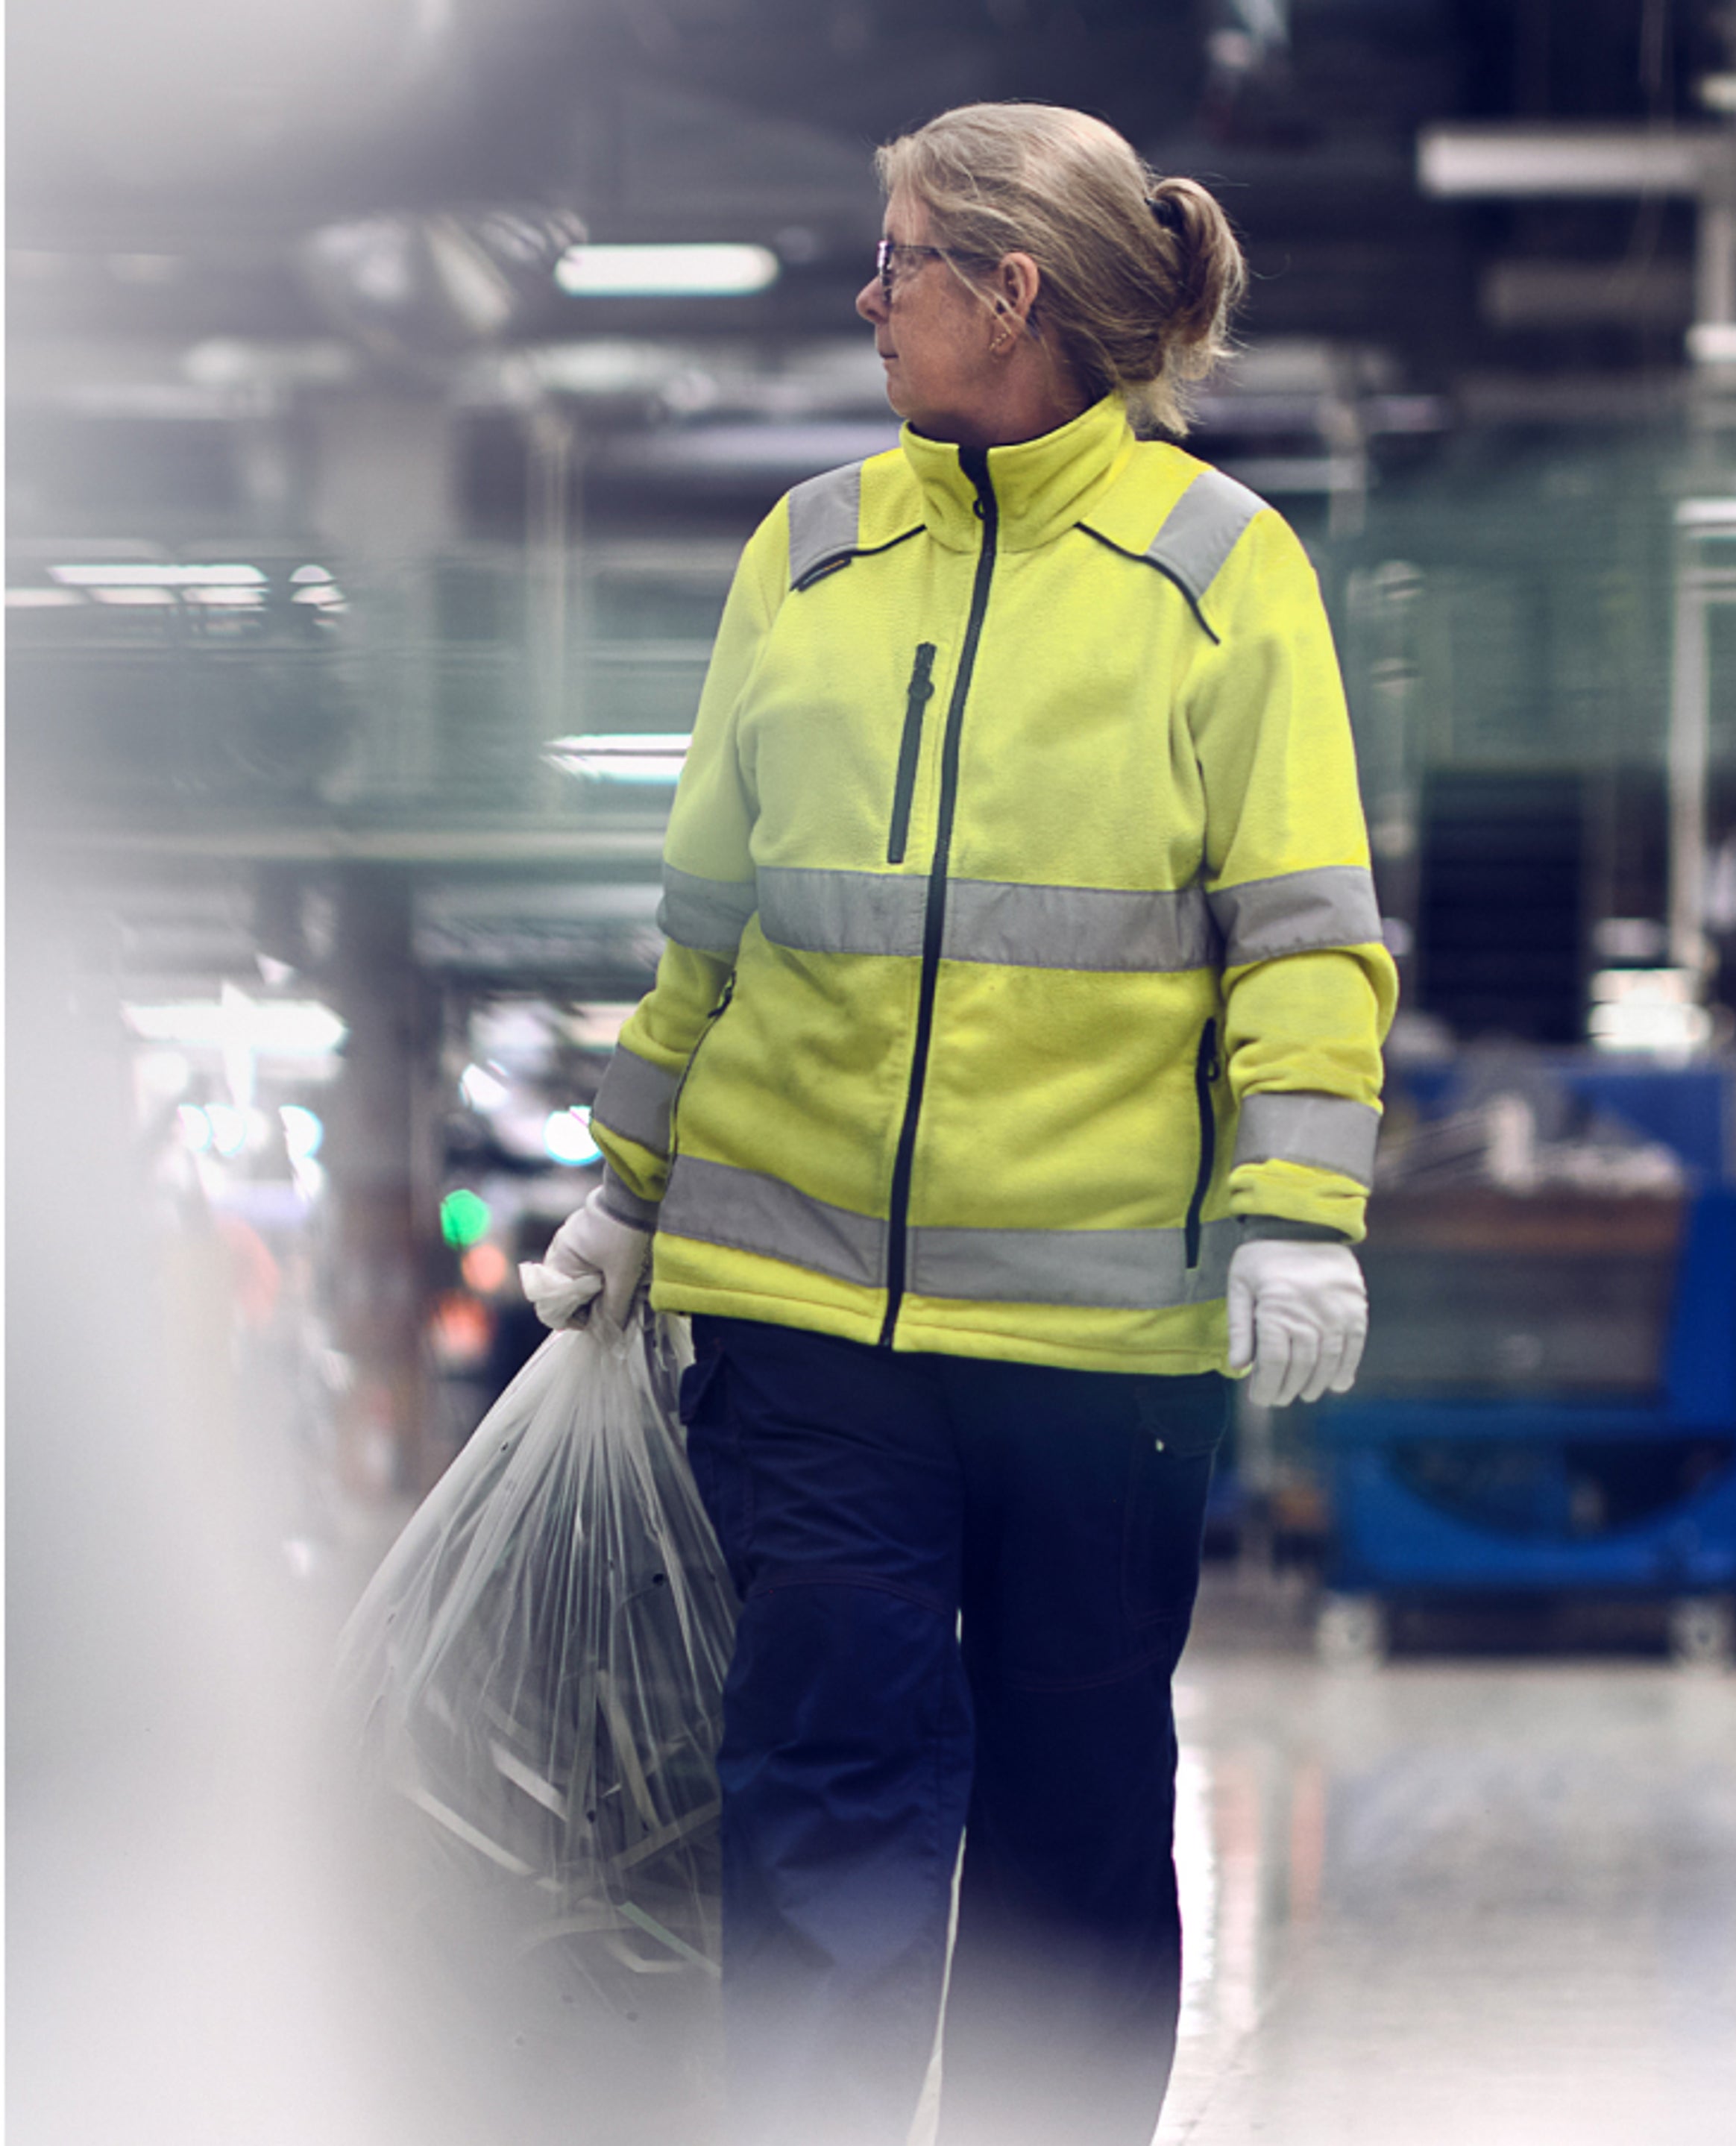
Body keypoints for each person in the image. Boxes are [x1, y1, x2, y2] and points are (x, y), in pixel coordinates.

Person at [538, 101, 1396, 2146]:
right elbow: (709, 924)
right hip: (804, 1323)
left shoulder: (1219, 572)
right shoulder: (808, 553)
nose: (867, 298)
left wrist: (1299, 1208)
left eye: (900, 258)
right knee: (820, 1779)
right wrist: (624, 1187)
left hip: (1099, 1341)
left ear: (1011, 290)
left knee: (1068, 1809)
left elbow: (1301, 929)